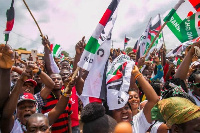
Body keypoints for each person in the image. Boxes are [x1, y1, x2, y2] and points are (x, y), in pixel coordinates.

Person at [107, 65, 159, 133]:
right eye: (118, 109)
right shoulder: (105, 129)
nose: (124, 111)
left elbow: (154, 100)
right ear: (110, 114)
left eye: (126, 108)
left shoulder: (137, 122)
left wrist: (137, 74)